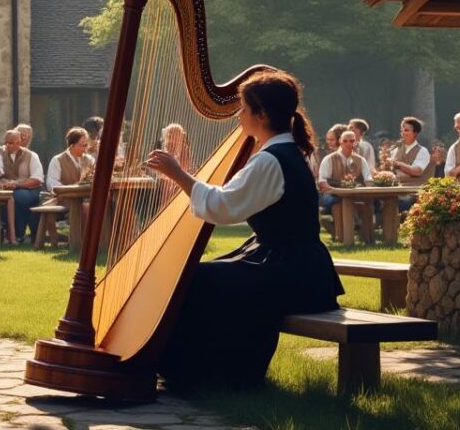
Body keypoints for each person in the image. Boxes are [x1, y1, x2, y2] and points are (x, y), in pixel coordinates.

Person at [145, 70, 343, 390]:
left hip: (292, 272)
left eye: (243, 108)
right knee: (199, 274)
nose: (238, 115)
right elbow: (228, 201)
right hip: (297, 264)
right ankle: (204, 370)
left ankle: (206, 374)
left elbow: (223, 207)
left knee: (196, 278)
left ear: (261, 114)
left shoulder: (270, 160)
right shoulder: (285, 151)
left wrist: (177, 174)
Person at [0, 129, 44, 244]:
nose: (15, 145)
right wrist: (4, 184)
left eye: (18, 142)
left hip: (27, 189)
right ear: (5, 142)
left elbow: (37, 179)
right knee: (4, 198)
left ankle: (18, 233)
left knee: (19, 197)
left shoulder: (31, 156)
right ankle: (7, 233)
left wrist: (17, 185)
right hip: (3, 188)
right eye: (11, 143)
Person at [317, 130, 375, 214]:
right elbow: (322, 183)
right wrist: (337, 191)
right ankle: (354, 222)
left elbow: (368, 181)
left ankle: (360, 224)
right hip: (331, 194)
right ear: (340, 141)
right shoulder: (328, 159)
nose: (348, 144)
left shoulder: (361, 160)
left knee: (372, 202)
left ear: (356, 143)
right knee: (340, 202)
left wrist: (364, 190)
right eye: (345, 141)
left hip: (354, 195)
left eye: (351, 141)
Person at [46, 127, 95, 193]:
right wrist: (70, 189)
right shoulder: (57, 160)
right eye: (83, 145)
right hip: (65, 200)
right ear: (72, 146)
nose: (86, 148)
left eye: (87, 145)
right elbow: (52, 184)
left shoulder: (90, 160)